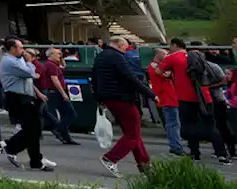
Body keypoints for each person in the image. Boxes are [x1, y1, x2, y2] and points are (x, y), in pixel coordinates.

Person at [93, 35, 157, 177]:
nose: (126, 50)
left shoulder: (101, 56)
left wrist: (99, 98)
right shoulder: (117, 57)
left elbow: (95, 78)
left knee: (133, 133)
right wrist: (151, 94)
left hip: (109, 98)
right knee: (133, 134)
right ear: (120, 45)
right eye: (125, 47)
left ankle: (145, 165)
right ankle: (111, 158)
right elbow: (130, 78)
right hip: (122, 98)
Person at [158, 38, 229, 163]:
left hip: (185, 98)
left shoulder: (172, 57)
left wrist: (172, 75)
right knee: (211, 126)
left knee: (190, 125)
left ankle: (195, 153)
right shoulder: (198, 57)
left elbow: (159, 71)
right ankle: (221, 154)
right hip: (204, 96)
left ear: (175, 45)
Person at [0, 37, 56, 171]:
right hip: (17, 98)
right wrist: (30, 62)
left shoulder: (17, 60)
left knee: (33, 129)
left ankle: (32, 157)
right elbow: (30, 73)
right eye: (20, 48)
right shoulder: (10, 61)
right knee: (33, 129)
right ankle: (12, 146)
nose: (23, 51)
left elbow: (30, 78)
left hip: (25, 96)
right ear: (12, 49)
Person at [148, 48, 184, 155]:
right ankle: (175, 146)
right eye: (164, 54)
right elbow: (166, 74)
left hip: (167, 98)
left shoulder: (155, 66)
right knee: (173, 124)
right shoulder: (155, 67)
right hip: (167, 98)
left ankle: (175, 144)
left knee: (172, 123)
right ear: (158, 55)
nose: (167, 56)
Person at [38, 47, 77, 145]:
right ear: (50, 55)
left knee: (64, 113)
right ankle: (59, 129)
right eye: (58, 54)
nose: (60, 55)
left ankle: (65, 136)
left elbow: (63, 65)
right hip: (55, 92)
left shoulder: (53, 64)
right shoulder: (51, 66)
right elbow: (55, 80)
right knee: (70, 113)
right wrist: (63, 93)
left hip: (54, 92)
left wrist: (61, 57)